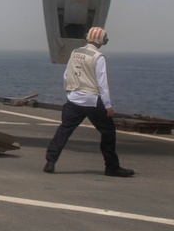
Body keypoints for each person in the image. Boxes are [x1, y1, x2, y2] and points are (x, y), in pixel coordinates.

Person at [43, 27, 135, 177]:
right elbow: (102, 83)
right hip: (91, 100)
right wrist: (108, 105)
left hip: (73, 100)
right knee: (108, 132)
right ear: (101, 40)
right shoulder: (98, 57)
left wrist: (70, 93)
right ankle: (112, 167)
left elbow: (66, 75)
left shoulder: (75, 52)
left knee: (64, 130)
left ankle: (50, 161)